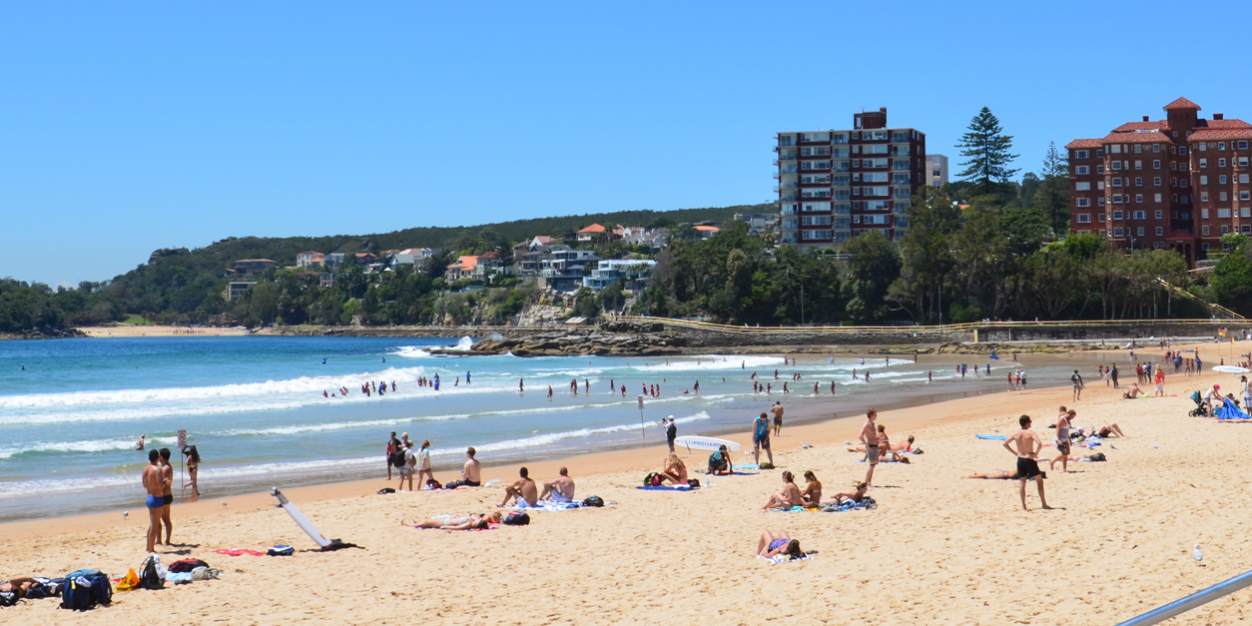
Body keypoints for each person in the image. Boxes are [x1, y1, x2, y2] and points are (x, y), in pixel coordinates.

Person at [1003, 415, 1052, 511]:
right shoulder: (1030, 433)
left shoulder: (1016, 433)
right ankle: (1044, 504)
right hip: (1029, 459)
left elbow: (1005, 444)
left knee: (1022, 482)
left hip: (1020, 459)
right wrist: (1036, 454)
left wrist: (1015, 453)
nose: (1031, 423)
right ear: (1026, 423)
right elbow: (1039, 444)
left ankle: (1024, 506)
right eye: (1030, 421)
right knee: (1039, 481)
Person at [142, 449, 165, 553]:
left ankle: (148, 546)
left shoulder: (145, 469)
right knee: (154, 525)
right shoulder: (157, 470)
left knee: (152, 524)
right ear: (158, 457)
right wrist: (166, 483)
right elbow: (160, 486)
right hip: (157, 498)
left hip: (149, 497)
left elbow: (145, 485)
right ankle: (151, 548)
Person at [403, 511, 501, 531]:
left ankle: (409, 525)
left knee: (427, 522)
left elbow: (457, 527)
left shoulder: (469, 524)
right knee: (428, 521)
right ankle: (415, 523)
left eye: (477, 523)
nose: (476, 521)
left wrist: (446, 527)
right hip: (448, 519)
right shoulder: (472, 521)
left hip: (445, 522)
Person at [859, 408, 880, 489]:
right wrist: (867, 446)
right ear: (871, 415)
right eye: (875, 414)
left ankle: (870, 482)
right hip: (870, 447)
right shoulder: (866, 424)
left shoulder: (872, 423)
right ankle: (866, 483)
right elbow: (860, 435)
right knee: (871, 465)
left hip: (875, 446)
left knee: (873, 465)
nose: (876, 416)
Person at [158, 448, 174, 545]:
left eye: (159, 455)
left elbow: (162, 483)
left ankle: (167, 540)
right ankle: (158, 539)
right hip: (162, 496)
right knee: (158, 519)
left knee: (166, 519)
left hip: (165, 496)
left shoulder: (166, 468)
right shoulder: (164, 467)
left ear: (162, 456)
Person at [1052, 409, 1074, 474]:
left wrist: (1070, 440)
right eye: (1072, 417)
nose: (1072, 418)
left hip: (1065, 439)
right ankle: (1053, 461)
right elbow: (1058, 428)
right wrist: (1059, 439)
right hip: (1061, 439)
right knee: (1064, 454)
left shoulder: (1067, 420)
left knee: (1066, 454)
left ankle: (1064, 469)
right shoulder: (1062, 419)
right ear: (1069, 414)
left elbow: (1067, 431)